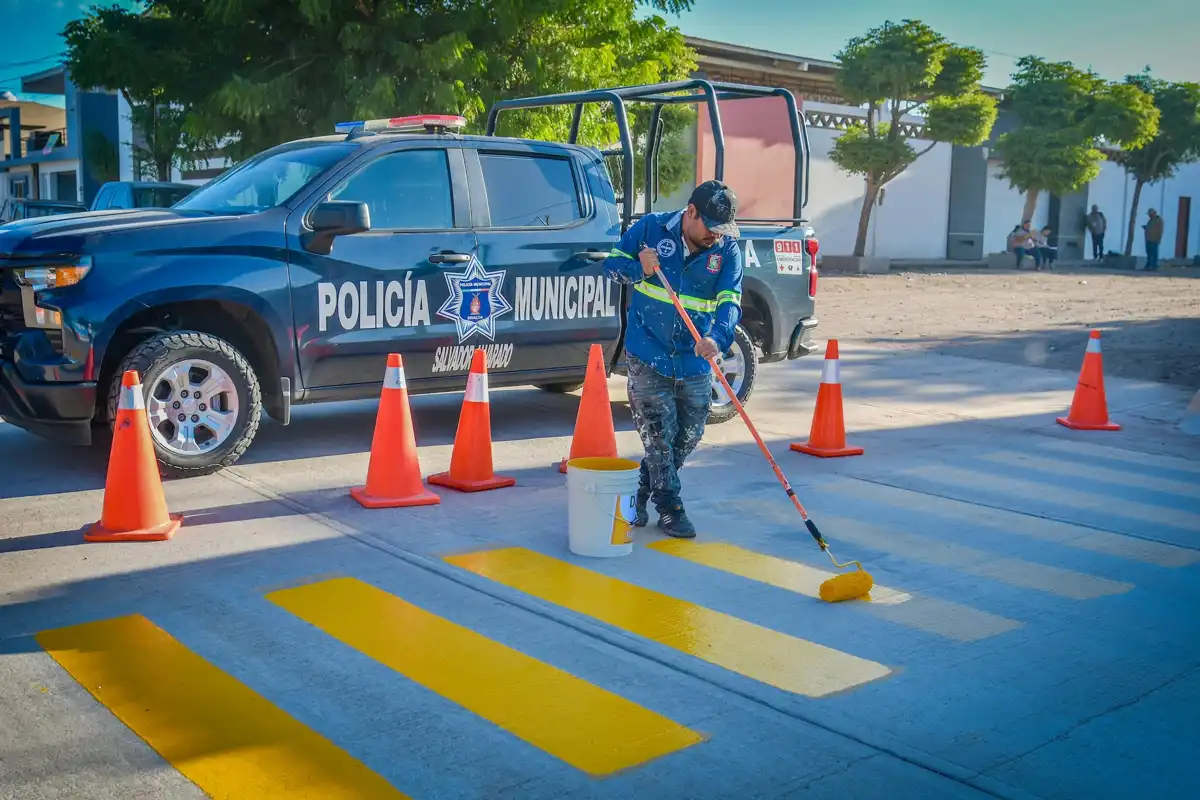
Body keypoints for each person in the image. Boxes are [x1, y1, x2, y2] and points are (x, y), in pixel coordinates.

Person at [602, 180, 744, 538]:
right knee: (658, 437)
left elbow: (730, 300)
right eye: (711, 227)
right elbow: (611, 267)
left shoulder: (727, 250)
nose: (716, 235)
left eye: (722, 229)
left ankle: (640, 491)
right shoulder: (651, 229)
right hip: (648, 352)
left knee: (689, 434)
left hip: (694, 358)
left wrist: (718, 337)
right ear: (691, 212)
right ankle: (670, 507)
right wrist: (639, 268)